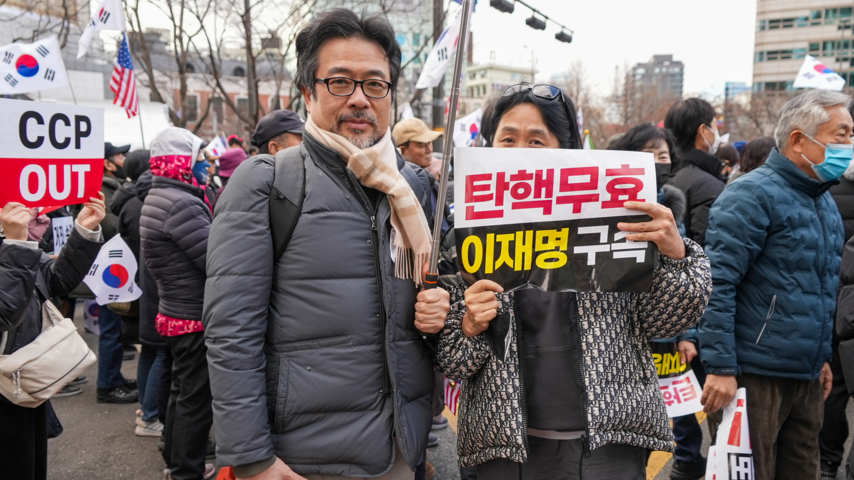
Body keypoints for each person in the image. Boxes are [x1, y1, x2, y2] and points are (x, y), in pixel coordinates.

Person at [204, 8, 449, 480]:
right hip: (301, 459)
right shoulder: (269, 182)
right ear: (308, 91)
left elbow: (454, 284)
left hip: (401, 449)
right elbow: (231, 333)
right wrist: (251, 456)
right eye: (340, 82)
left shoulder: (414, 188)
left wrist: (446, 303)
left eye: (374, 84)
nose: (359, 99)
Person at [433, 84, 713, 479]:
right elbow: (451, 360)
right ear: (487, 147)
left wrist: (675, 255)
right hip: (502, 448)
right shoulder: (467, 237)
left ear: (568, 149)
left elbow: (668, 319)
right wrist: (469, 325)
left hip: (607, 444)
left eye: (536, 140)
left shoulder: (618, 219)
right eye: (507, 139)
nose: (518, 153)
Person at [699, 90, 850, 480]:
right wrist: (719, 367)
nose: (849, 145)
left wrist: (821, 358)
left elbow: (819, 290)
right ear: (799, 140)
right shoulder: (752, 193)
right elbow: (718, 283)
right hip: (751, 375)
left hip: (805, 375)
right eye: (842, 134)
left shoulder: (824, 202)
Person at [611, 123, 705, 480]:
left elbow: (686, 275)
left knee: (679, 403)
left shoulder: (671, 210)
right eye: (646, 154)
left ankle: (688, 459)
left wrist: (688, 334)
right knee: (631, 409)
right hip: (623, 331)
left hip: (668, 332)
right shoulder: (602, 206)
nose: (655, 161)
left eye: (662, 155)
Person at [0, 194, 106, 480]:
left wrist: (84, 231)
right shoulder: (11, 240)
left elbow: (56, 279)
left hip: (23, 383)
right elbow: (4, 312)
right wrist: (17, 244)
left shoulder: (6, 238)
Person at [140, 127, 215, 480]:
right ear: (182, 162)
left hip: (175, 310)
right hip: (192, 314)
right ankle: (187, 470)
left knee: (180, 391)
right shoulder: (181, 202)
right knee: (195, 401)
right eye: (199, 157)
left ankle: (174, 455)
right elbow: (213, 257)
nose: (205, 164)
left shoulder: (162, 194)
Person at [822, 105, 854, 480]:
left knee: (833, 390)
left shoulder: (826, 183)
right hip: (836, 303)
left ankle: (827, 464)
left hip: (831, 305)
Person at [97, 141, 139, 404]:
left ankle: (114, 377)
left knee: (115, 326)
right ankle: (107, 386)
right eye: (120, 156)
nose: (124, 159)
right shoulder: (101, 189)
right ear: (107, 163)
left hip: (114, 267)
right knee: (111, 328)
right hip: (108, 268)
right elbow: (112, 228)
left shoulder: (112, 187)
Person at [664, 98, 726, 247]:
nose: (717, 132)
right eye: (715, 125)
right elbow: (710, 250)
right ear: (703, 130)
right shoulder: (708, 185)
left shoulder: (660, 174)